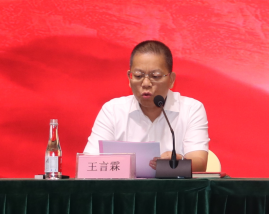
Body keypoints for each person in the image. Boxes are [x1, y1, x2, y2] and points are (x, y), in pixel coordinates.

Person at [85, 40, 210, 173]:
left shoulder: (191, 109)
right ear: (129, 78)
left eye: (155, 76)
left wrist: (179, 162)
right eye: (138, 76)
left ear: (171, 80)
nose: (145, 83)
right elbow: (88, 163)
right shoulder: (113, 111)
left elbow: (200, 163)